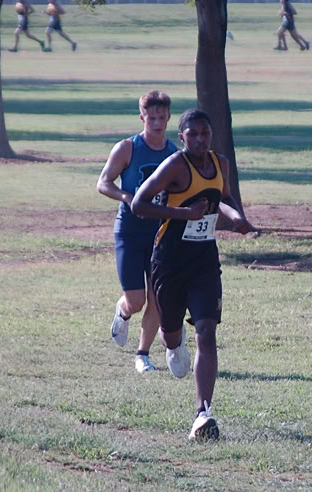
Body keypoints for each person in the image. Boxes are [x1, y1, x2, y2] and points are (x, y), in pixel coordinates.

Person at [131, 109, 254, 440]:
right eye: (194, 134)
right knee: (171, 333)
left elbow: (223, 197)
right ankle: (173, 343)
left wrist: (235, 216)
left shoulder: (220, 164)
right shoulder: (174, 165)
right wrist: (182, 213)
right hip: (169, 261)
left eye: (205, 133)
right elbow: (139, 204)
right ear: (182, 137)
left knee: (207, 330)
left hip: (204, 260)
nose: (201, 139)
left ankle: (203, 413)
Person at [96, 91, 176, 373]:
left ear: (169, 117)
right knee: (137, 300)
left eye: (161, 118)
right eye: (151, 118)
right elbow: (103, 183)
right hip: (129, 231)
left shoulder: (174, 154)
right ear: (142, 118)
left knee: (157, 298)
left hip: (159, 235)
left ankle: (142, 355)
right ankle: (123, 310)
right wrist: (128, 198)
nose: (157, 123)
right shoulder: (127, 148)